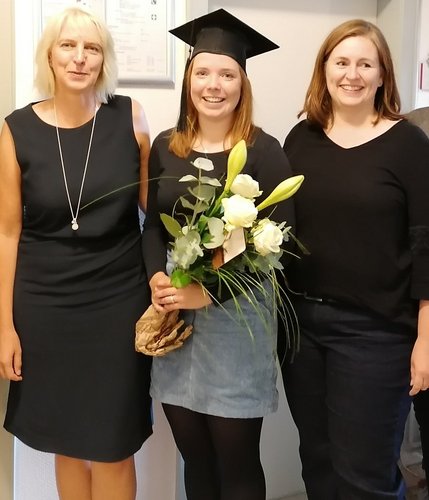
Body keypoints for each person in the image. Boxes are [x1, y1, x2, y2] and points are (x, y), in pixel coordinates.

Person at [142, 9, 295, 500]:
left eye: (227, 74)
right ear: (189, 79)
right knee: (195, 456)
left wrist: (206, 296)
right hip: (175, 321)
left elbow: (273, 245)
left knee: (237, 461)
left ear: (242, 83)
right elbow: (151, 229)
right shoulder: (166, 147)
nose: (214, 85)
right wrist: (157, 281)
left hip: (237, 322)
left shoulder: (265, 151)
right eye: (203, 72)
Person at [0, 7, 152, 500]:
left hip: (117, 304)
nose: (80, 57)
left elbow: (155, 211)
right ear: (49, 54)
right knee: (67, 443)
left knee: (113, 444)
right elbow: (7, 233)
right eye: (68, 45)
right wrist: (4, 326)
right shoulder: (15, 130)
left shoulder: (130, 116)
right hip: (44, 307)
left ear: (104, 59)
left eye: (92, 48)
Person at [281, 19, 429, 500]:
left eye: (366, 63)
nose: (353, 74)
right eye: (341, 62)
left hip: (377, 332)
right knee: (318, 464)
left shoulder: (409, 145)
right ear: (323, 70)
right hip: (302, 330)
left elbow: (426, 247)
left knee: (365, 476)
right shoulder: (300, 140)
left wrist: (426, 340)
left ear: (383, 75)